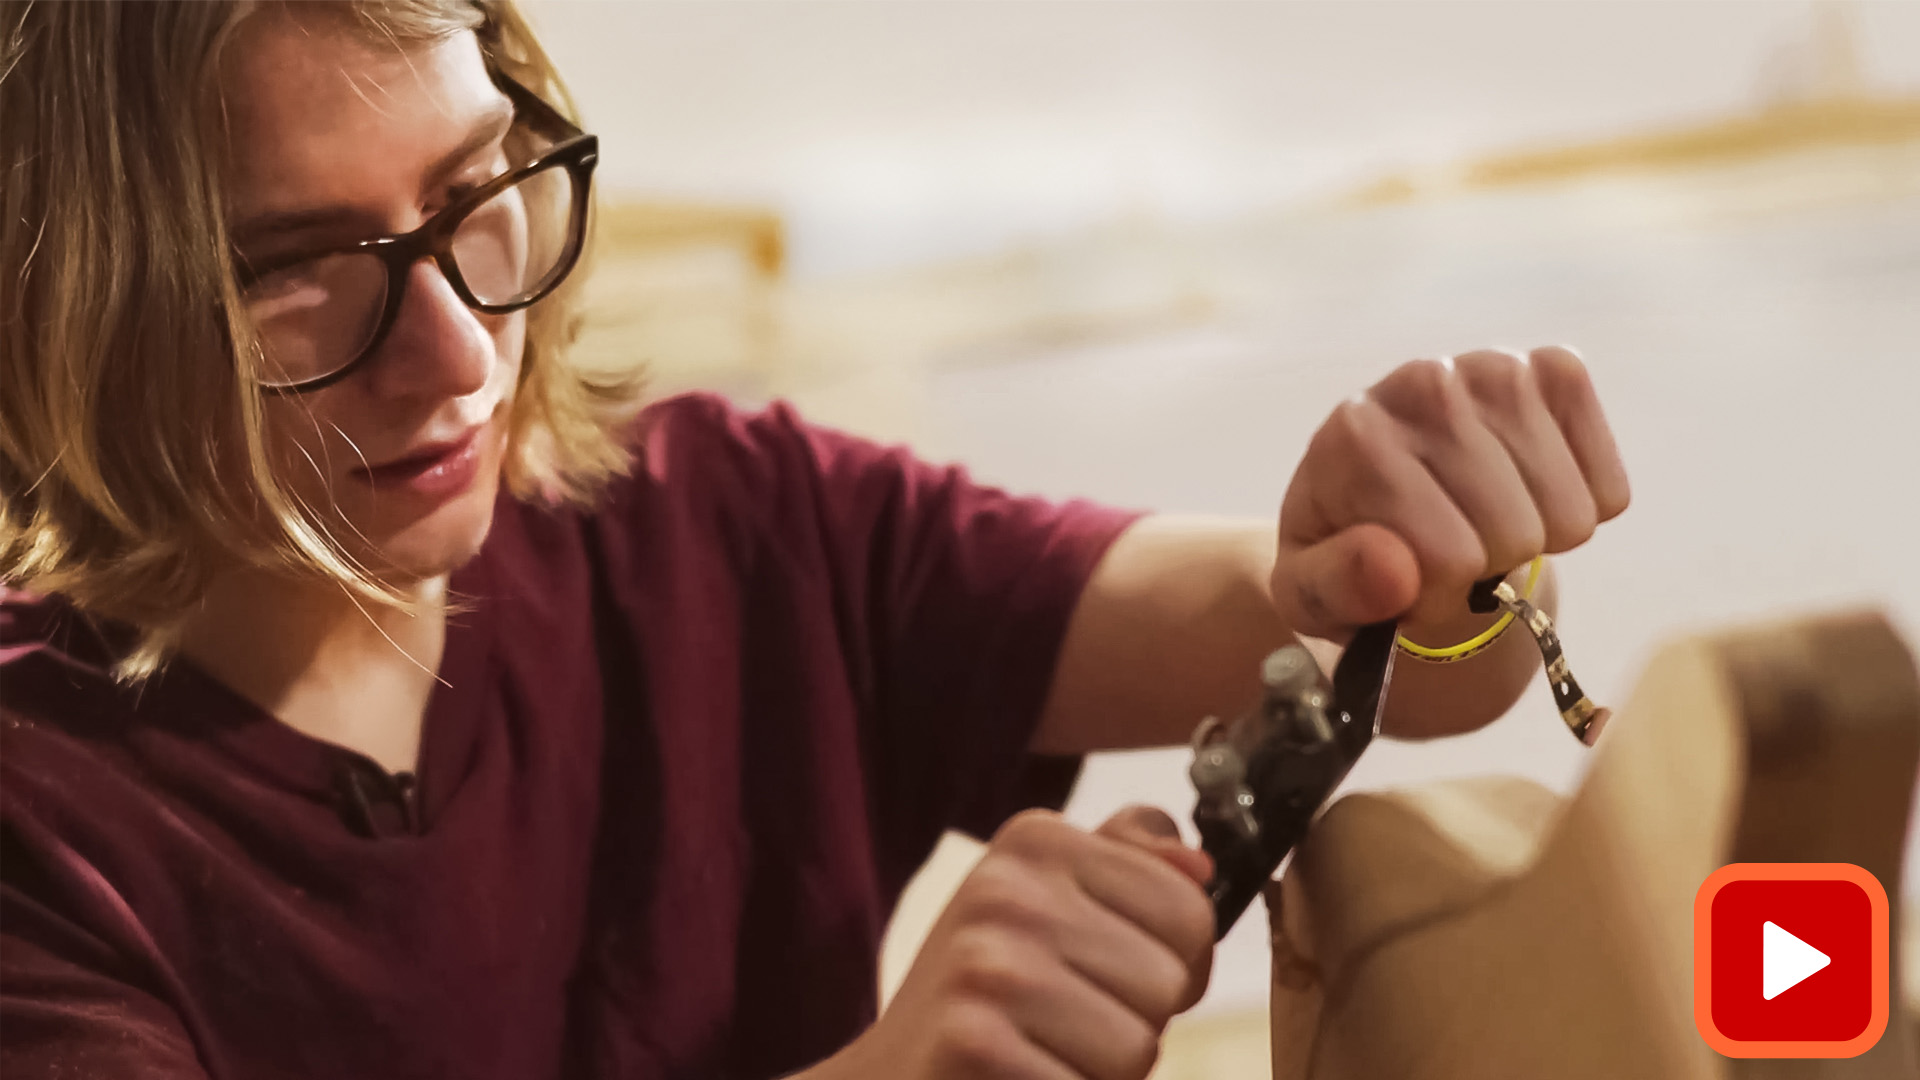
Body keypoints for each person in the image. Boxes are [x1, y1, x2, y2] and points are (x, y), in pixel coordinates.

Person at [0, 2, 1631, 1078]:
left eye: (475, 189)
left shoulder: (730, 529)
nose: (459, 353)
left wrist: (1422, 543)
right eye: (294, 270)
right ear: (61, 303)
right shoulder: (43, 834)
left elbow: (1386, 657)